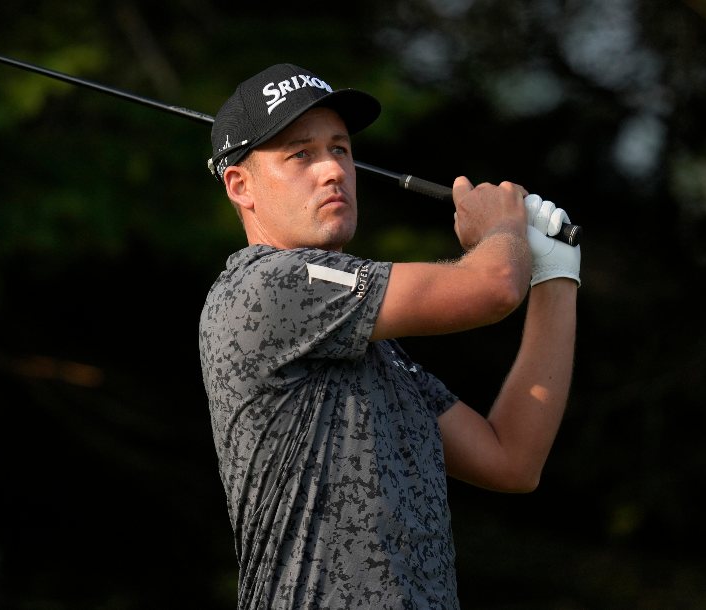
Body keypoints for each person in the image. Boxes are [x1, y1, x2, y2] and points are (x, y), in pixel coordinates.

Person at [198, 63, 580, 610]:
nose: (332, 169)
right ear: (241, 185)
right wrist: (499, 230)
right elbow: (493, 285)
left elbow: (511, 459)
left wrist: (556, 279)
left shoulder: (370, 346)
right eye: (300, 154)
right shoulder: (264, 287)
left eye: (341, 149)